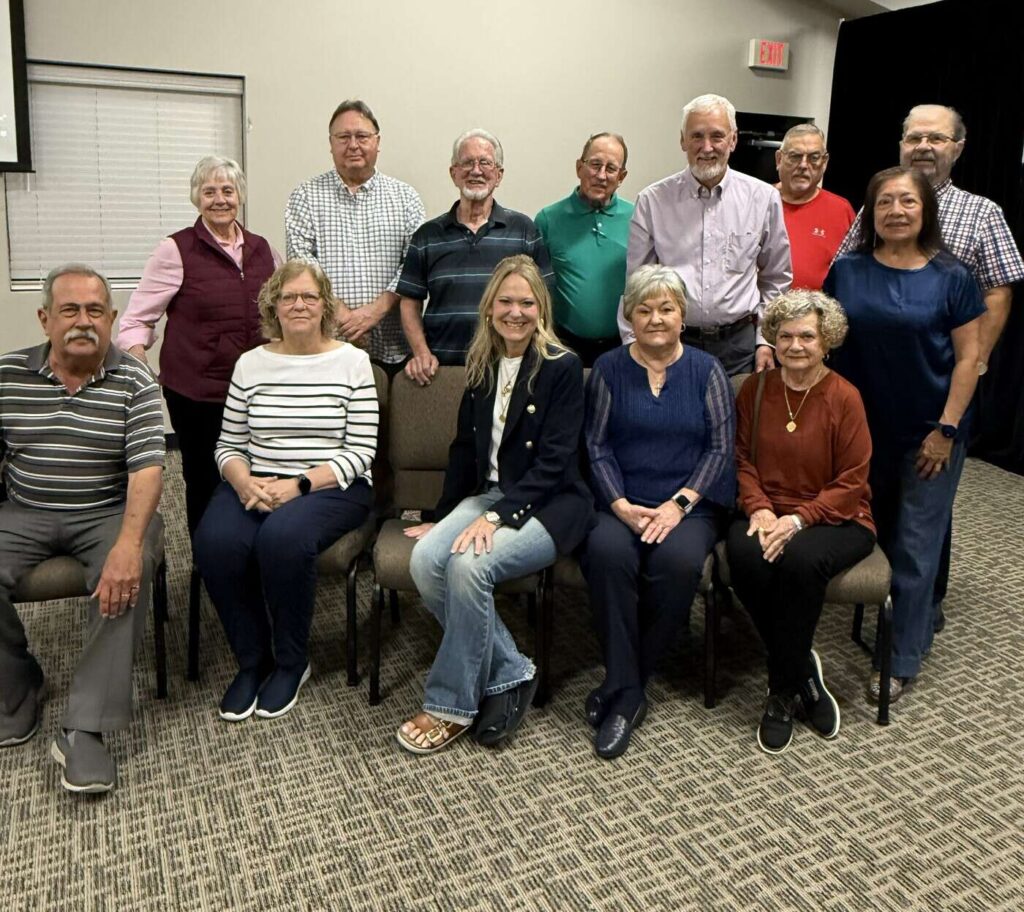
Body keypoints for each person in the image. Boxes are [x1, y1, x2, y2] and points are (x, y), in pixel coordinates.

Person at [836, 104, 1024, 630]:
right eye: (914, 137)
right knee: (893, 509)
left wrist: (974, 363)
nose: (923, 146)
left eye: (936, 139)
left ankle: (918, 616)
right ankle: (901, 602)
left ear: (957, 148)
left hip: (940, 388)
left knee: (923, 520)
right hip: (876, 393)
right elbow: (850, 277)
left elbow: (999, 290)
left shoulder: (980, 213)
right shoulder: (878, 206)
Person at [396, 255, 591, 754]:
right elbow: (464, 448)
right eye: (505, 301)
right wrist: (442, 517)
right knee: (424, 560)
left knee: (466, 567)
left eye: (526, 302)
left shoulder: (561, 367)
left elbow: (555, 463)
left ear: (541, 309)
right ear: (489, 309)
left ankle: (450, 704)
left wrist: (495, 517)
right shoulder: (482, 363)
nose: (516, 312)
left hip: (550, 504)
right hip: (487, 493)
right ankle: (511, 668)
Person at [0, 265, 164, 794]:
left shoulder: (134, 379)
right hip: (23, 511)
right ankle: (18, 686)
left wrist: (128, 544)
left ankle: (84, 728)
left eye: (96, 311)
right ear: (45, 317)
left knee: (127, 574)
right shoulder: (6, 376)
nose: (83, 322)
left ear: (112, 319)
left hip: (105, 511)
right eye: (70, 310)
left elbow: (146, 469)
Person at [193, 261, 378, 722]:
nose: (299, 305)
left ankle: (292, 662)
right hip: (257, 481)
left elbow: (361, 452)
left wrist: (297, 486)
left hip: (332, 486)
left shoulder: (352, 361)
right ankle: (253, 661)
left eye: (309, 297)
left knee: (281, 538)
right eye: (289, 297)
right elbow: (229, 444)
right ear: (273, 306)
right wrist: (242, 480)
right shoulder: (251, 363)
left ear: (325, 306)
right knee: (213, 542)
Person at [826, 167, 984, 704]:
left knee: (916, 545)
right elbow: (829, 345)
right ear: (871, 213)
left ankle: (899, 659)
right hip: (862, 432)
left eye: (907, 201)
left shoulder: (953, 276)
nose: (895, 210)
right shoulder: (846, 271)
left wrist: (946, 429)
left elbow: (969, 359)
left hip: (929, 434)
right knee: (882, 531)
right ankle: (906, 617)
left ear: (926, 211)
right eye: (884, 202)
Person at [583, 264, 735, 760]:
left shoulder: (706, 370)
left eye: (666, 308)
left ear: (682, 315)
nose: (655, 318)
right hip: (622, 500)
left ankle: (623, 687)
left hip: (689, 505)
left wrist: (679, 504)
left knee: (679, 563)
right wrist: (620, 505)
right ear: (628, 315)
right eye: (644, 309)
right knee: (605, 554)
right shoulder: (607, 368)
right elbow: (596, 444)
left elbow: (719, 449)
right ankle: (631, 690)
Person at [726, 289, 875, 754]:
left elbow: (853, 480)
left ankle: (780, 692)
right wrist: (759, 507)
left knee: (799, 564)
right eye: (785, 336)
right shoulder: (756, 388)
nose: (795, 346)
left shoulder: (844, 396)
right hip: (767, 511)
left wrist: (798, 520)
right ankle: (805, 671)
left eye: (807, 336)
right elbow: (741, 458)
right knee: (746, 556)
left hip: (837, 517)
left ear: (825, 340)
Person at [117, 155, 279, 540]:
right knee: (205, 477)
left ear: (239, 195)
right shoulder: (176, 249)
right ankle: (207, 562)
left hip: (254, 389)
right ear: (196, 199)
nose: (219, 199)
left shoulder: (262, 249)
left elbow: (279, 315)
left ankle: (252, 551)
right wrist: (141, 368)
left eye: (227, 190)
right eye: (209, 192)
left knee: (256, 472)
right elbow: (135, 321)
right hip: (195, 392)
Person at [622, 94, 791, 375]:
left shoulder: (763, 199)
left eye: (717, 136)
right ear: (683, 141)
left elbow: (776, 277)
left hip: (739, 348)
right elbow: (636, 283)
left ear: (733, 140)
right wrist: (633, 342)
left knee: (738, 419)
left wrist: (766, 340)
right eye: (697, 136)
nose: (707, 147)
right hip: (671, 344)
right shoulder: (653, 201)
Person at [398, 129, 554, 385]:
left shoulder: (524, 230)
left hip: (509, 369)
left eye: (485, 163)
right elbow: (409, 302)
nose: (476, 170)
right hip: (442, 372)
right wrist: (421, 352)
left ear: (499, 175)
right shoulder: (427, 235)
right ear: (454, 173)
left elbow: (545, 299)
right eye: (467, 163)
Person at [286, 99, 425, 373]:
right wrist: (345, 318)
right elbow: (302, 268)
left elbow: (414, 265)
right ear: (330, 143)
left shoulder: (406, 198)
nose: (353, 145)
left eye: (362, 136)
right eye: (343, 137)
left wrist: (375, 311)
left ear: (377, 141)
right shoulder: (305, 197)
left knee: (391, 416)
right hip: (326, 347)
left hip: (394, 350)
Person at [535, 132, 633, 365]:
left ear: (622, 176)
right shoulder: (548, 219)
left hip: (622, 345)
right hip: (563, 345)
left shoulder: (637, 217)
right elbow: (535, 288)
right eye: (595, 164)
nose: (601, 175)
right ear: (579, 167)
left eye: (611, 168)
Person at [775, 124, 855, 290]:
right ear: (779, 159)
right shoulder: (758, 202)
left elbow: (855, 273)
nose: (804, 165)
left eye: (814, 158)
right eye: (795, 156)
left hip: (819, 313)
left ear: (824, 162)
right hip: (760, 313)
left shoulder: (841, 210)